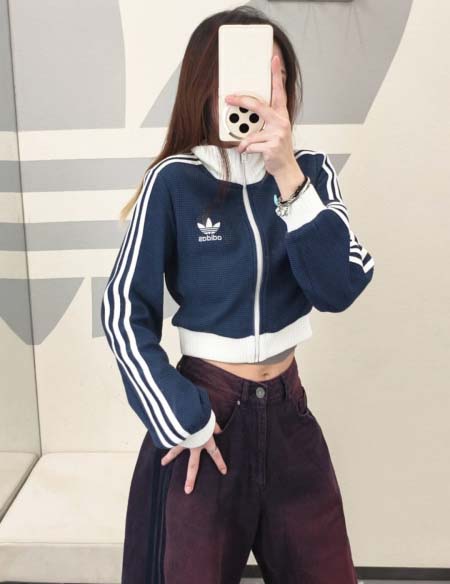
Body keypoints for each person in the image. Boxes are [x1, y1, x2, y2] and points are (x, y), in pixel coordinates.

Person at [101, 6, 374, 583]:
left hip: (290, 414)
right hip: (209, 415)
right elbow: (124, 310)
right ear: (208, 85)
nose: (262, 95)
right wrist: (181, 415)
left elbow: (339, 287)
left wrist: (287, 175)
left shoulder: (310, 174)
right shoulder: (175, 180)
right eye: (247, 77)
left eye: (276, 77)